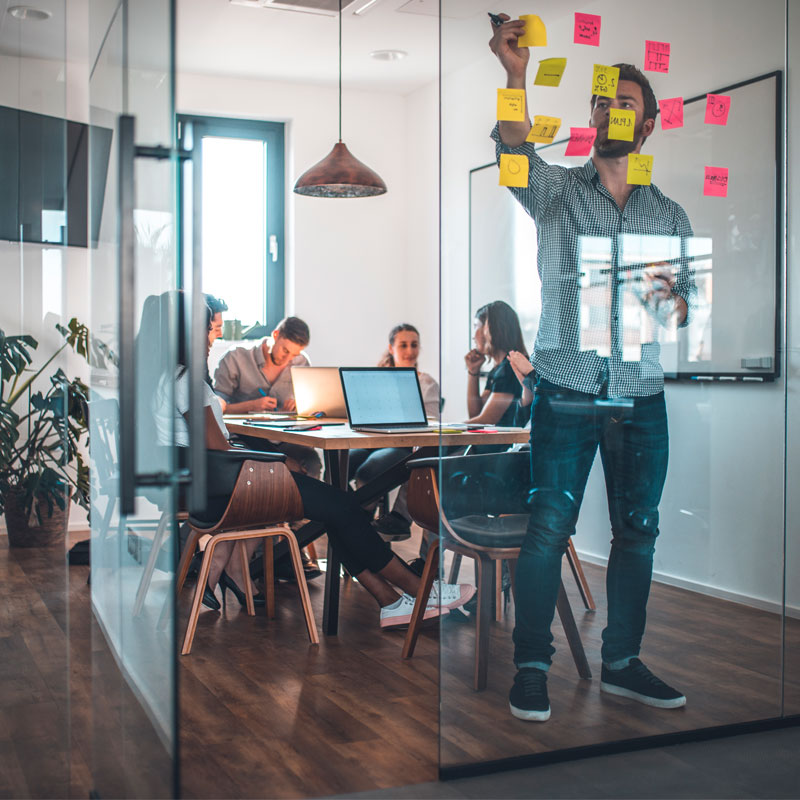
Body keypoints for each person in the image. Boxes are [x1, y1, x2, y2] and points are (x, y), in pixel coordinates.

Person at [489, 15, 696, 722]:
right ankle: (532, 666)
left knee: (639, 530)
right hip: (568, 392)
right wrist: (516, 76)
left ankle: (622, 662)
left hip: (642, 397)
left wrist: (667, 297)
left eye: (625, 104)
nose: (611, 110)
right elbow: (514, 150)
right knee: (549, 527)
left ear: (649, 126)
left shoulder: (669, 216)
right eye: (602, 101)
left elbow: (682, 314)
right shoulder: (556, 194)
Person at [145, 291, 475, 628]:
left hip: (209, 487)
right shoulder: (188, 382)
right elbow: (219, 450)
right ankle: (419, 590)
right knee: (342, 507)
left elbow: (213, 448)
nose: (211, 337)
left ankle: (391, 600)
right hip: (228, 488)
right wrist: (277, 460)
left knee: (335, 511)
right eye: (206, 329)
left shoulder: (165, 380)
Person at [349, 324, 440, 541]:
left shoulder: (427, 383)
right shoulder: (376, 380)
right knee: (342, 464)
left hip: (403, 445)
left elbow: (431, 422)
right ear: (391, 348)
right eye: (403, 345)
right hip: (373, 439)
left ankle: (360, 532)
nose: (409, 351)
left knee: (368, 472)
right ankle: (349, 519)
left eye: (414, 345)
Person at [213, 316, 321, 478]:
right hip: (247, 440)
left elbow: (311, 403)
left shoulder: (301, 362)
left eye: (294, 354)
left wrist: (298, 407)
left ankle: (305, 503)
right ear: (276, 335)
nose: (288, 360)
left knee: (311, 461)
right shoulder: (236, 358)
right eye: (285, 350)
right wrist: (251, 406)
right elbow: (215, 407)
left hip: (285, 438)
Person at [464, 301, 526, 427]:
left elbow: (486, 421)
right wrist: (473, 372)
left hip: (503, 445)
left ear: (490, 330)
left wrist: (446, 428)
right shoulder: (498, 369)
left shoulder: (509, 368)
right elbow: (476, 414)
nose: (473, 336)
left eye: (476, 326)